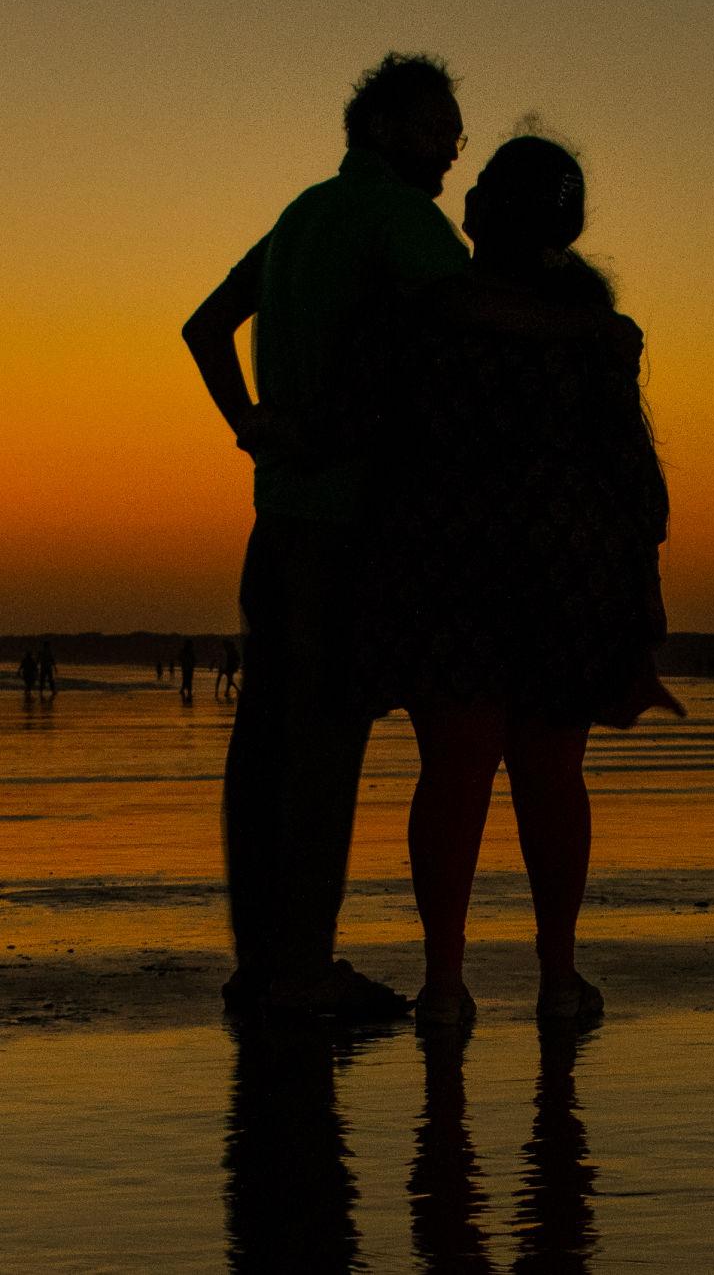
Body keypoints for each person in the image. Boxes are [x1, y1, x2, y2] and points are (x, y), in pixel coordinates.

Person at [361, 132, 678, 1029]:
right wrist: (640, 588)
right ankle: (557, 977)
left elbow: (387, 447)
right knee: (551, 776)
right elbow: (635, 484)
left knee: (454, 775)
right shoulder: (600, 336)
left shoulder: (430, 318)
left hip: (450, 574)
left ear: (479, 215)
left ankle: (445, 984)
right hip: (565, 583)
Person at [182, 51, 470, 1022]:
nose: (451, 150)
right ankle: (304, 974)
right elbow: (466, 322)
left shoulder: (300, 216)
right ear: (383, 130)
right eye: (437, 128)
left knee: (262, 741)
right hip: (350, 524)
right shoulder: (397, 217)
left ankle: (263, 961)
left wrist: (249, 420)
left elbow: (203, 326)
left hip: (275, 521)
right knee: (324, 750)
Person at [178, 637, 198, 702]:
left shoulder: (186, 651)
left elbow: (180, 658)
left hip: (187, 667)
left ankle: (184, 690)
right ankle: (188, 692)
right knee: (188, 680)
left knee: (186, 680)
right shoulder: (188, 651)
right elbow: (194, 659)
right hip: (188, 667)